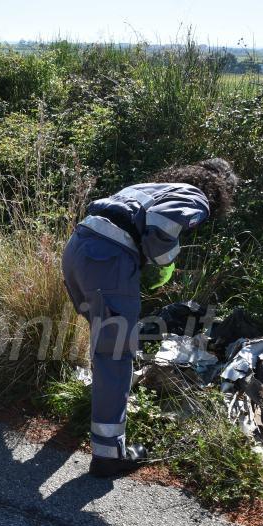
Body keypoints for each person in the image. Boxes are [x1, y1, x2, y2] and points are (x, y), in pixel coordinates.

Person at [62, 159, 238, 477]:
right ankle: (109, 455)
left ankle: (96, 409)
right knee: (115, 356)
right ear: (219, 189)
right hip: (107, 261)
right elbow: (162, 227)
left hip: (77, 250)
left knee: (105, 347)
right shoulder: (196, 195)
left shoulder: (148, 188)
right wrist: (166, 258)